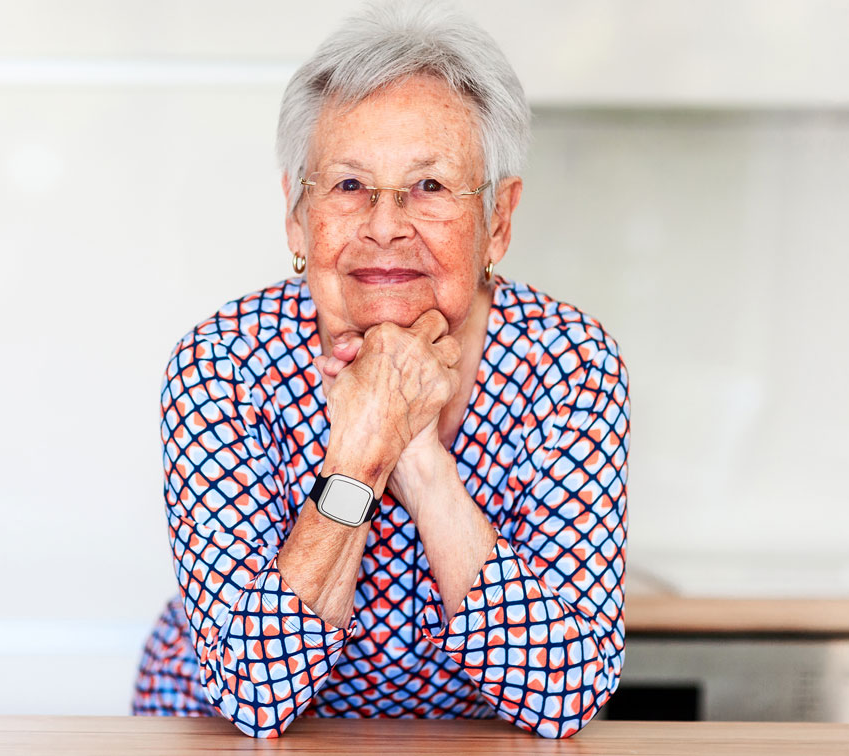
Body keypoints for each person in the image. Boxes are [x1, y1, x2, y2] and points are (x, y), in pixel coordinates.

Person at [132, 2, 629, 740]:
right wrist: (361, 454)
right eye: (348, 186)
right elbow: (255, 697)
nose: (385, 223)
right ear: (298, 217)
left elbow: (565, 696)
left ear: (498, 221)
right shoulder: (223, 366)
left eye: (429, 187)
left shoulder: (573, 365)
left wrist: (420, 458)